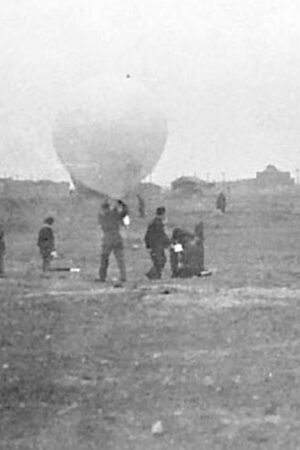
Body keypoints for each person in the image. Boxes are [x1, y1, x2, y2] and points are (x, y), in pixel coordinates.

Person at [97, 199, 128, 286]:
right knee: (120, 259)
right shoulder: (114, 214)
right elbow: (124, 212)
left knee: (104, 259)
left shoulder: (101, 216)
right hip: (116, 237)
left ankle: (102, 277)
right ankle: (123, 276)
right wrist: (121, 203)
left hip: (107, 238)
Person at [144, 206, 170, 279]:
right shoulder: (158, 223)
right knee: (159, 261)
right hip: (156, 246)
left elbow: (147, 235)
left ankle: (154, 275)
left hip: (155, 245)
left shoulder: (155, 222)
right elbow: (161, 235)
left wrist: (148, 245)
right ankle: (152, 275)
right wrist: (168, 242)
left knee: (160, 261)